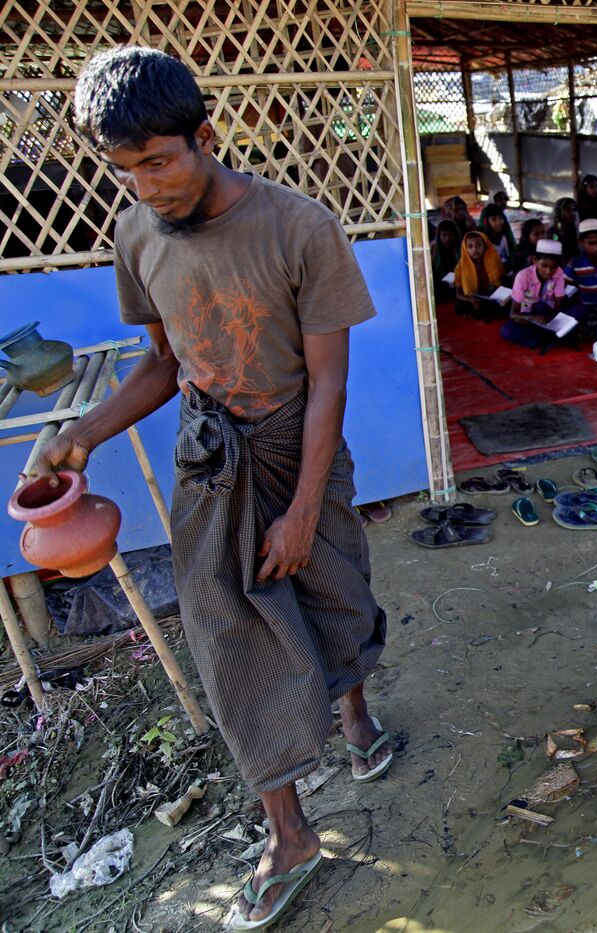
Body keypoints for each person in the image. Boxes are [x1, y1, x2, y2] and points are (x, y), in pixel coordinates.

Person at [45, 47, 391, 929]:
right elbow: (164, 364)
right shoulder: (135, 237)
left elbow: (330, 387)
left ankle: (355, 716)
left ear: (205, 135)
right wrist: (83, 434)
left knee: (329, 585)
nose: (145, 187)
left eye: (158, 161)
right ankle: (290, 829)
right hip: (212, 451)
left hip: (294, 437)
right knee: (219, 623)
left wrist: (305, 509)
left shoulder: (298, 226)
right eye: (123, 171)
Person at [504, 238, 569, 350]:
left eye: (553, 267)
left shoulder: (559, 273)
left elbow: (558, 305)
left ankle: (542, 336)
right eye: (544, 266)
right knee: (506, 331)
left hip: (546, 314)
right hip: (527, 316)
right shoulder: (523, 276)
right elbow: (513, 313)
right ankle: (544, 337)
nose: (548, 271)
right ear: (534, 260)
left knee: (540, 307)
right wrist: (532, 318)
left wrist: (547, 320)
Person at [564, 218, 597, 337]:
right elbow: (564, 287)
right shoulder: (574, 264)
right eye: (591, 243)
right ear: (581, 242)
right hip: (586, 309)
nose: (596, 247)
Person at [454, 230, 506, 319]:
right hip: (474, 297)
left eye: (478, 245)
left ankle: (484, 313)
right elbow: (458, 294)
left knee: (504, 304)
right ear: (465, 249)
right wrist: (471, 300)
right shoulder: (462, 266)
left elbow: (501, 283)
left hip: (491, 294)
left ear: (485, 246)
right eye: (470, 246)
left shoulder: (493, 260)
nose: (474, 249)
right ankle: (486, 313)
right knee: (460, 306)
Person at [430, 220, 461, 303]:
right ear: (439, 235)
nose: (447, 238)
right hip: (440, 281)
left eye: (451, 235)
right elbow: (431, 271)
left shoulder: (460, 248)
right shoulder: (433, 249)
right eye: (444, 235)